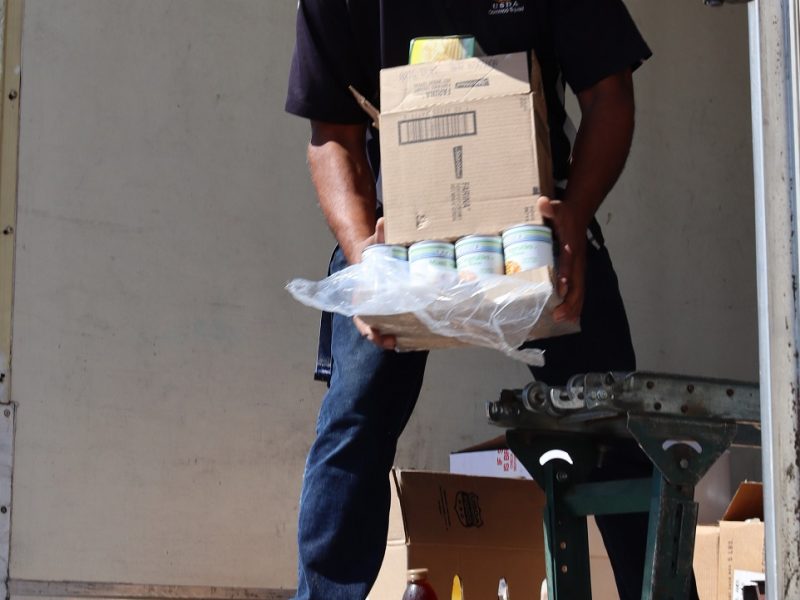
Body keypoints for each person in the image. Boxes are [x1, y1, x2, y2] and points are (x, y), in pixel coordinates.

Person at [285, 2, 697, 599]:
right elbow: (331, 135)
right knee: (357, 416)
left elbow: (609, 94)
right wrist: (365, 262)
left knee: (611, 422)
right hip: (401, 233)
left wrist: (575, 218)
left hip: (536, 224)